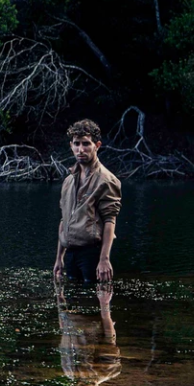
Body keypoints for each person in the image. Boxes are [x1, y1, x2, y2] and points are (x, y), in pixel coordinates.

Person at [53, 119, 122, 283]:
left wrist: (104, 259)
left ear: (97, 145)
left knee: (95, 301)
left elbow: (110, 220)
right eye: (76, 144)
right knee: (72, 303)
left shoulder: (107, 180)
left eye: (86, 144)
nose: (80, 149)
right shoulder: (68, 181)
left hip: (92, 253)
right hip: (70, 252)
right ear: (71, 145)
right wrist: (59, 258)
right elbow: (64, 220)